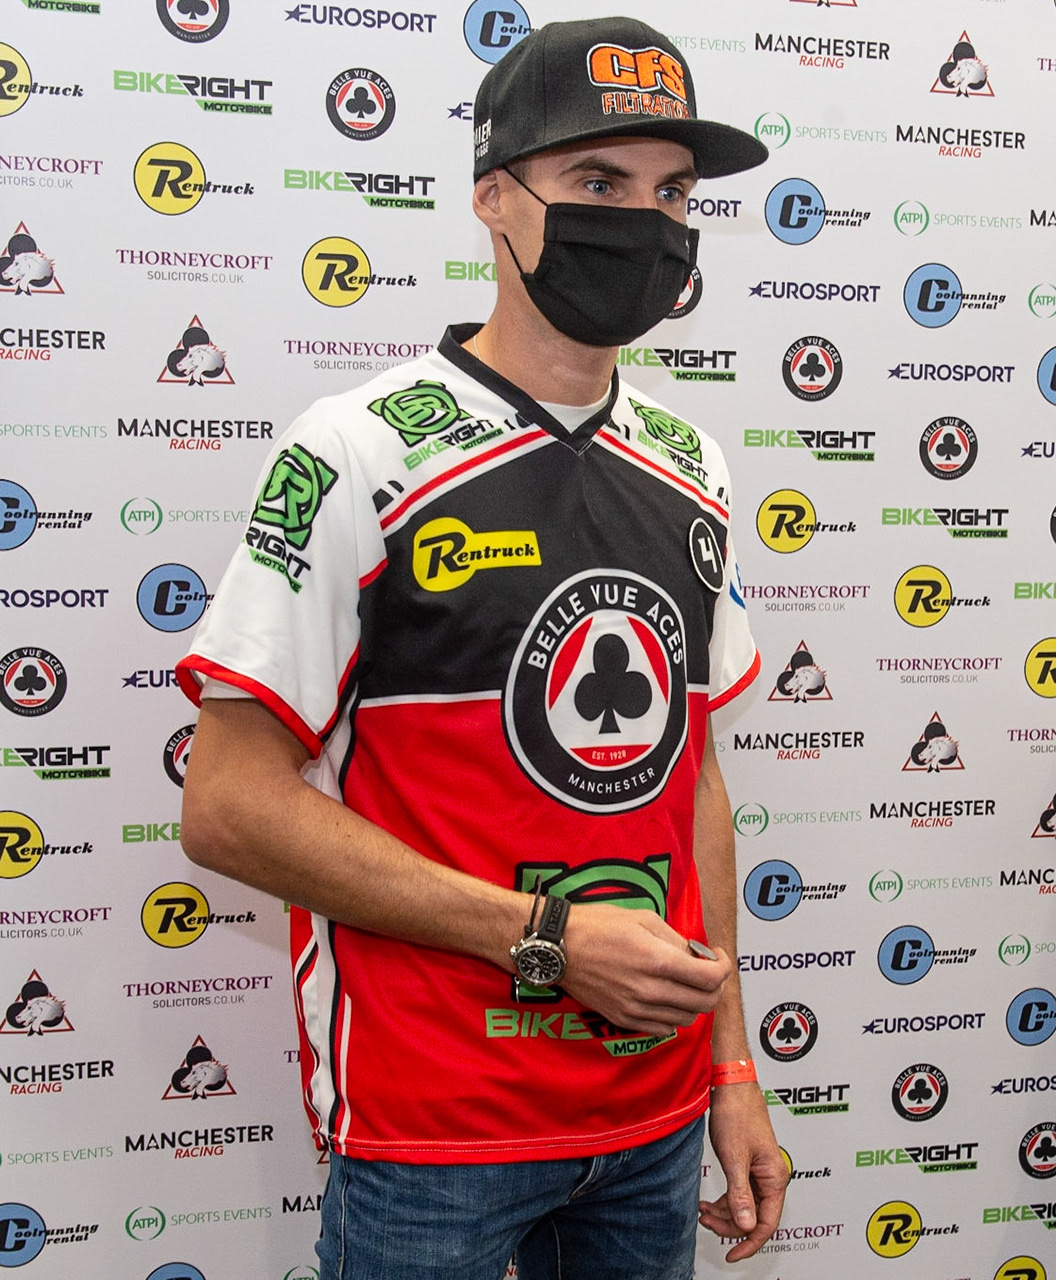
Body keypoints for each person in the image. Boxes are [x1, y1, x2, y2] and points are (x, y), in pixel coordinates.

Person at [177, 18, 784, 1278]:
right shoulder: (359, 450)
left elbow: (693, 781)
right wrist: (545, 937)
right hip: (435, 1128)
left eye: (674, 192)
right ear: (493, 197)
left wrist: (731, 1064)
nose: (646, 223)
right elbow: (227, 807)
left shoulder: (694, 466)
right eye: (599, 182)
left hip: (655, 1118)